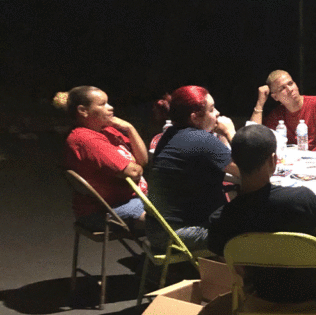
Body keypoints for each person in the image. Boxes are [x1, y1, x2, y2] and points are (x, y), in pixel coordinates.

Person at [208, 125, 316, 304]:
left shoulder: (220, 219)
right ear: (273, 160)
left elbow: (235, 269)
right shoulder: (303, 200)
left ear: (234, 160)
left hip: (263, 295)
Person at [146, 86, 238, 251]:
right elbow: (249, 168)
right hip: (179, 234)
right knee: (254, 228)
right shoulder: (200, 139)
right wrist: (230, 132)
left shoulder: (171, 133)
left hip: (158, 229)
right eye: (211, 109)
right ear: (195, 118)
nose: (217, 113)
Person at [55, 86, 148, 232]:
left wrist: (130, 128)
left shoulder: (108, 130)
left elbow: (142, 160)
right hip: (106, 210)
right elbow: (134, 172)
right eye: (102, 104)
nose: (110, 107)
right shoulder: (85, 139)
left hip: (131, 198)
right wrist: (136, 168)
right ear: (83, 111)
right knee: (170, 221)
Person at [250, 70, 316, 151]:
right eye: (282, 88)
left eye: (290, 83)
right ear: (275, 97)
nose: (290, 89)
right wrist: (260, 103)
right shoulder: (277, 115)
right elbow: (253, 140)